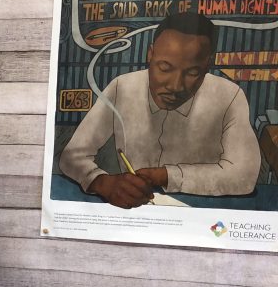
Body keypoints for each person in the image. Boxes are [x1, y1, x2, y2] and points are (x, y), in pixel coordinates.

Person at [59, 11, 261, 208]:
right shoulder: (122, 87)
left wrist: (165, 175)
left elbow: (244, 175)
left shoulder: (229, 96)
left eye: (192, 72)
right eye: (164, 68)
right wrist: (101, 182)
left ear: (208, 65)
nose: (175, 86)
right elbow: (72, 156)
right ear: (150, 54)